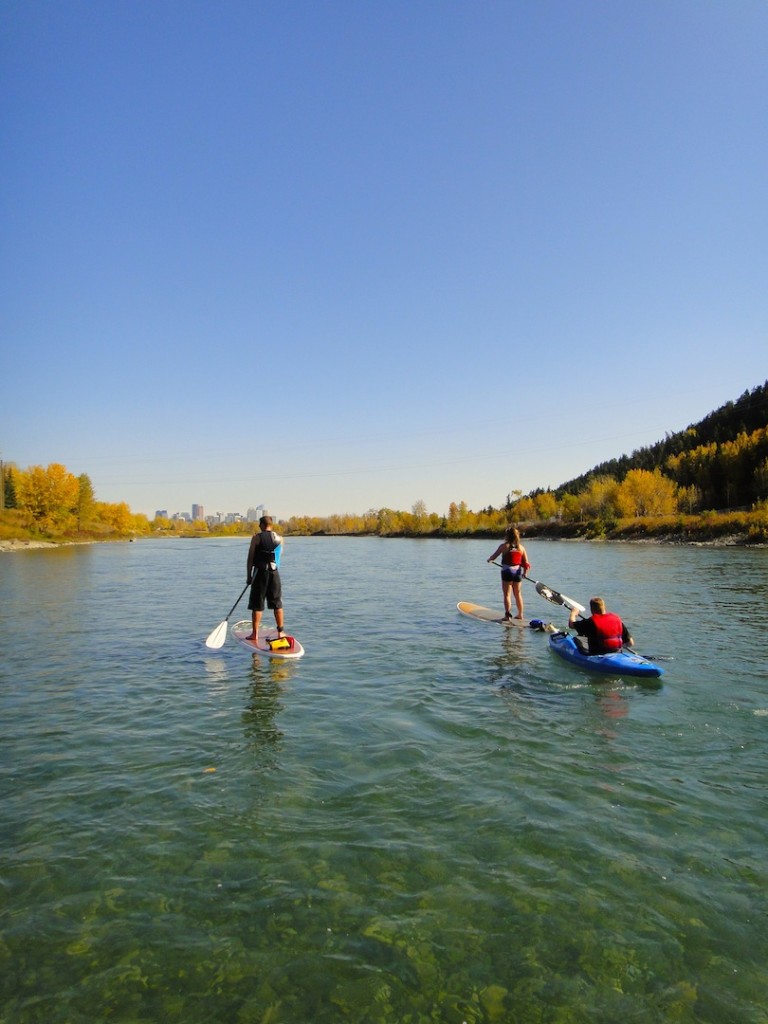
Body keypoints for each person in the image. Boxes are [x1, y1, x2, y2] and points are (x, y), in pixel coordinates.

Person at [246, 515, 285, 642]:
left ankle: (255, 634)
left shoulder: (256, 538)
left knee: (257, 605)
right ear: (271, 525)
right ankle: (280, 632)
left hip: (260, 573)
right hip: (274, 573)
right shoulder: (280, 539)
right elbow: (278, 557)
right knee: (277, 604)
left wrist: (249, 576)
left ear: (262, 525)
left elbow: (250, 558)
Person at [487, 526, 531, 620]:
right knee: (518, 594)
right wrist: (525, 573)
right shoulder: (521, 548)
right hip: (518, 572)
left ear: (507, 536)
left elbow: (494, 556)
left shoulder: (504, 546)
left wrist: (489, 559)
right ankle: (520, 615)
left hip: (507, 572)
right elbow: (526, 564)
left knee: (507, 594)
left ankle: (507, 616)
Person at [568, 597, 633, 655]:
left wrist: (573, 613)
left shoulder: (590, 622)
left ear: (591, 610)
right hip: (617, 652)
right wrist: (617, 646)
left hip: (598, 654)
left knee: (576, 639)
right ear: (605, 607)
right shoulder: (617, 619)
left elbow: (571, 625)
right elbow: (630, 643)